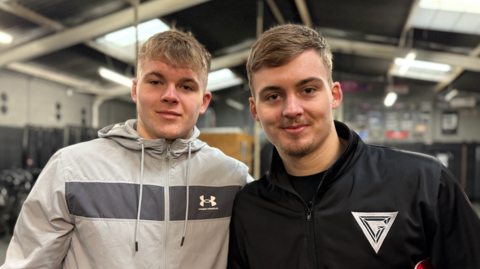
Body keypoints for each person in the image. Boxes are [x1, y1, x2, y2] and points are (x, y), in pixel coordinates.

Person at [228, 24, 480, 269]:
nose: (292, 109)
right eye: (273, 96)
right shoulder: (248, 209)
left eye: (308, 89)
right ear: (254, 110)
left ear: (335, 95)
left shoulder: (423, 183)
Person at [2, 30, 251, 269]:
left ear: (204, 101)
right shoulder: (71, 170)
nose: (170, 95)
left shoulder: (232, 178)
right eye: (155, 81)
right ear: (135, 90)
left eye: (186, 86)